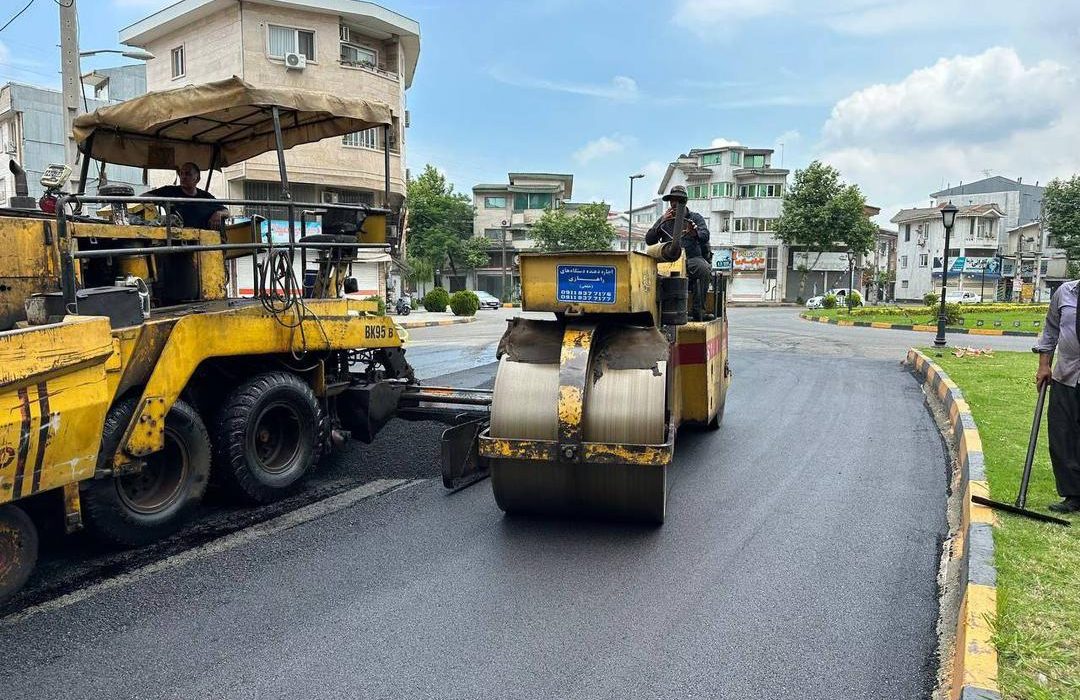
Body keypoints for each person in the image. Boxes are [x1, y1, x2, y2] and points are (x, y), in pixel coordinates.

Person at [1034, 278, 1080, 513]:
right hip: (1066, 374)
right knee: (1062, 436)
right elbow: (1051, 330)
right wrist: (1044, 365)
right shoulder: (1065, 292)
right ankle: (1073, 495)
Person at [646, 184, 713, 321]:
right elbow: (649, 239)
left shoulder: (695, 218)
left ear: (685, 202)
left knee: (703, 269)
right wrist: (661, 223)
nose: (675, 203)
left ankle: (698, 311)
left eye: (679, 200)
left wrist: (695, 233)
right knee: (650, 273)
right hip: (668, 260)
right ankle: (655, 311)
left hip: (691, 258)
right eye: (673, 200)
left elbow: (705, 235)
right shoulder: (664, 220)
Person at [145, 162, 229, 230]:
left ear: (197, 178)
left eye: (188, 174)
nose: (183, 177)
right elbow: (143, 197)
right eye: (181, 173)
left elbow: (226, 211)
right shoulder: (169, 191)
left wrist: (219, 213)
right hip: (177, 240)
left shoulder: (205, 196)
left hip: (204, 240)